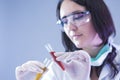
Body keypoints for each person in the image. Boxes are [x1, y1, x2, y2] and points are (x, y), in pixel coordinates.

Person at [15, 0, 120, 80]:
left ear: (99, 15)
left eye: (78, 16)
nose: (70, 28)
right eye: (64, 21)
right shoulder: (57, 68)